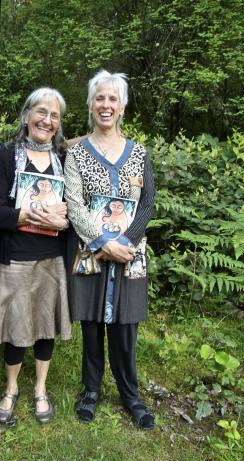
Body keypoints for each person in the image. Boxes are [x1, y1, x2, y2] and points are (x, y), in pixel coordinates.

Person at [64, 70, 156, 429]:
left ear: (122, 107)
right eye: (99, 98)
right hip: (91, 250)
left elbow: (147, 203)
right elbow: (74, 204)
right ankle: (91, 390)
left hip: (130, 252)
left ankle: (131, 395)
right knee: (91, 323)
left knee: (126, 324)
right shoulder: (77, 153)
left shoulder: (139, 153)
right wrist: (102, 244)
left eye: (112, 99)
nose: (106, 105)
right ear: (91, 105)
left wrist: (125, 243)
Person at [0, 87, 72, 425]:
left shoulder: (64, 158)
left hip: (52, 256)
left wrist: (63, 221)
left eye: (54, 116)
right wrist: (29, 216)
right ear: (26, 116)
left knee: (45, 324)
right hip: (15, 257)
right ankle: (11, 387)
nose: (47, 120)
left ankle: (40, 387)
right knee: (16, 324)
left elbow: (73, 212)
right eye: (41, 112)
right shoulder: (6, 156)